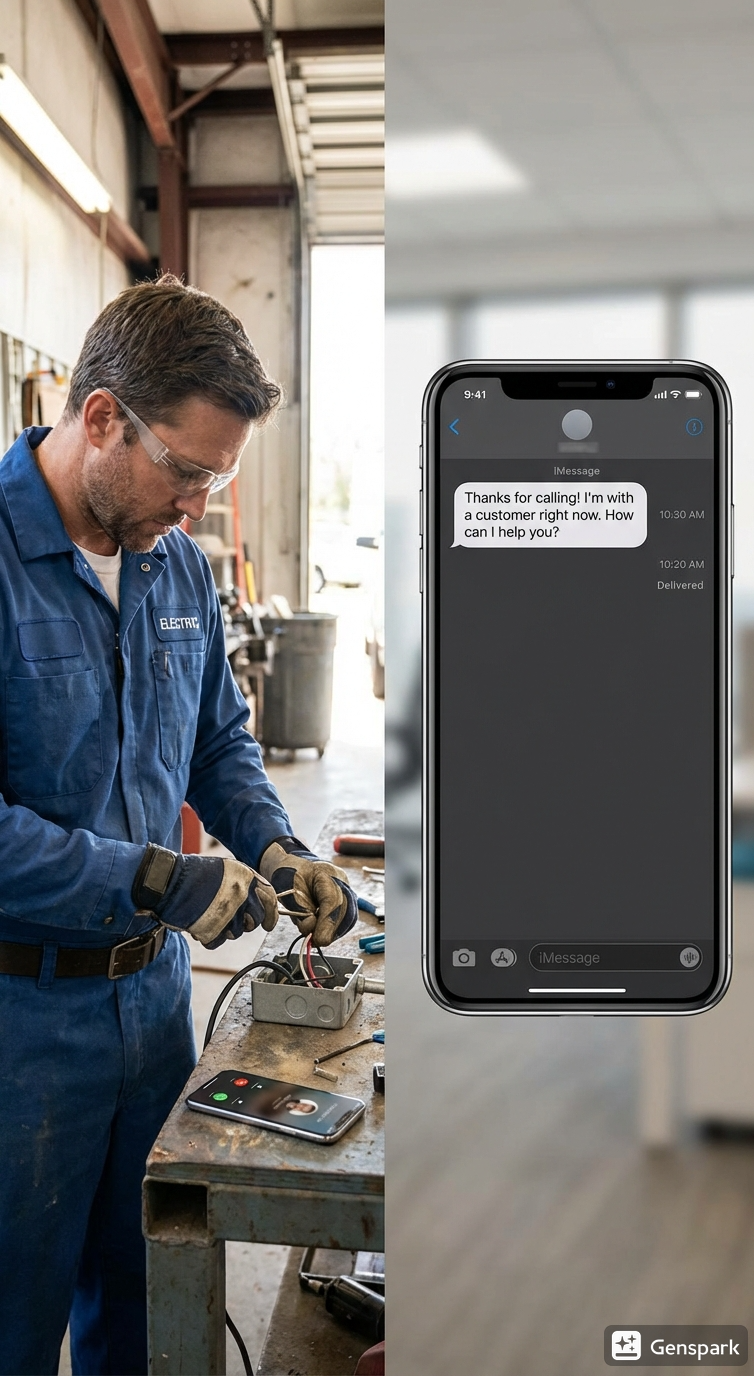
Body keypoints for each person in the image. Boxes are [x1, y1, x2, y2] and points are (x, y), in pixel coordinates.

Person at [0, 275, 357, 1376]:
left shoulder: (177, 572)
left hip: (153, 1009)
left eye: (218, 476)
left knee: (155, 1311)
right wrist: (161, 876)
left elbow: (217, 744)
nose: (197, 502)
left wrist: (273, 843)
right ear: (101, 416)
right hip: (22, 1027)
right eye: (188, 470)